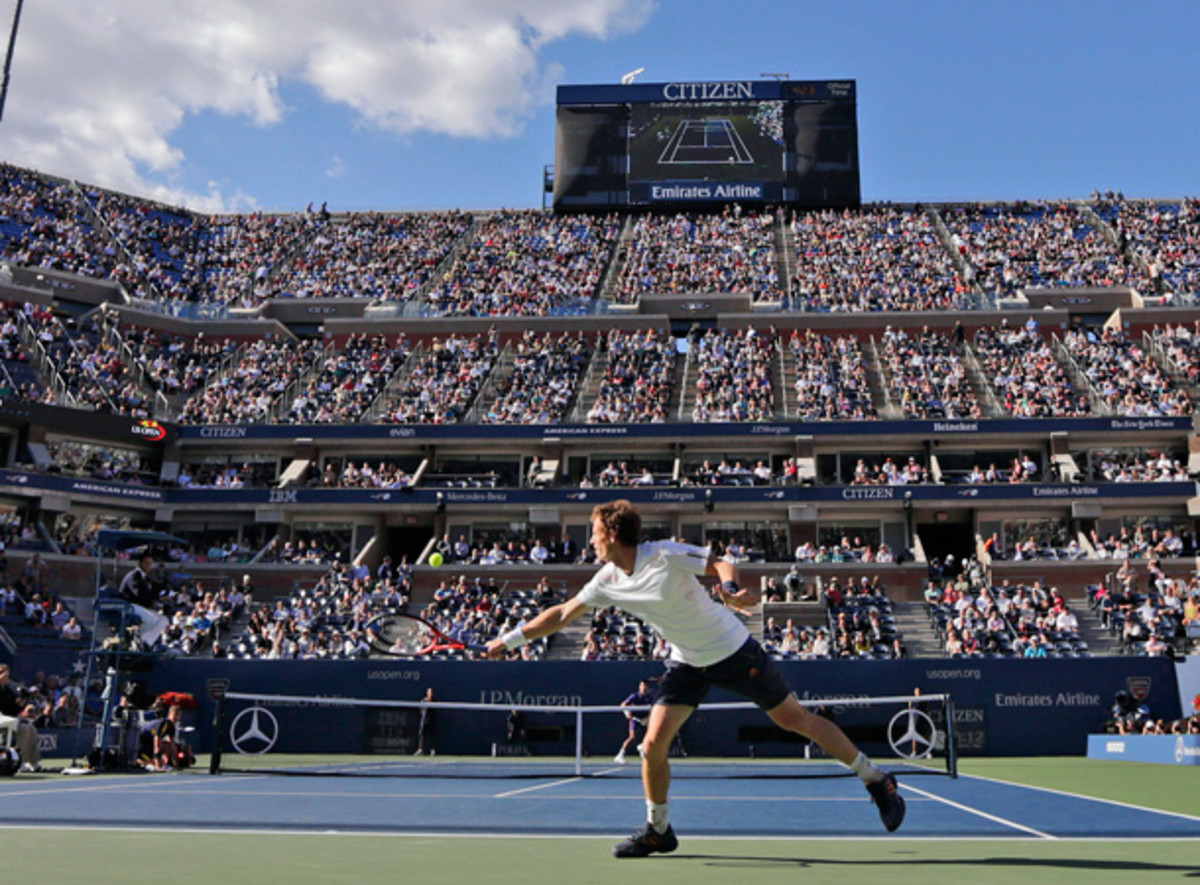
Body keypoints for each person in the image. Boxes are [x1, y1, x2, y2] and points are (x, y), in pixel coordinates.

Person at [485, 499, 905, 858]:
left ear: (611, 534)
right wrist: (509, 639)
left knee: (794, 719)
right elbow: (561, 614)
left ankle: (877, 780)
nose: (590, 541)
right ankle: (659, 830)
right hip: (686, 661)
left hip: (732, 649)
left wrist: (730, 588)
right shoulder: (606, 579)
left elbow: (719, 562)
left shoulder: (663, 555)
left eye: (594, 533)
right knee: (652, 746)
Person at [118, 554, 169, 646]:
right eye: (146, 563)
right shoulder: (134, 575)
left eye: (150, 563)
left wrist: (159, 599)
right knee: (152, 620)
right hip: (129, 605)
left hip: (140, 606)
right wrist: (151, 604)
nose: (148, 566)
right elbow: (138, 595)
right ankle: (137, 641)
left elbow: (150, 594)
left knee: (163, 620)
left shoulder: (145, 577)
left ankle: (146, 643)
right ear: (141, 563)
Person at [0, 664, 43, 772]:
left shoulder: (11, 687)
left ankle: (32, 762)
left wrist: (22, 702)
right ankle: (19, 761)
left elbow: (13, 708)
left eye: (5, 672)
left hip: (8, 719)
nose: (3, 674)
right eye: (1, 672)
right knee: (24, 729)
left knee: (31, 728)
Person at [614, 679, 654, 764]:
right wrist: (627, 713)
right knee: (632, 737)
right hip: (635, 719)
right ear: (639, 687)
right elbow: (623, 705)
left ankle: (642, 746)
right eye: (642, 686)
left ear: (648, 687)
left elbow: (652, 708)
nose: (643, 688)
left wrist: (648, 718)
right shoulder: (634, 696)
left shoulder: (650, 697)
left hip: (645, 720)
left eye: (645, 686)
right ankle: (620, 755)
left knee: (651, 734)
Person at [414, 687, 436, 756]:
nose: (430, 694)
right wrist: (424, 716)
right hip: (424, 721)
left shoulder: (435, 701)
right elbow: (421, 709)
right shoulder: (423, 701)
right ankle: (420, 749)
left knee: (431, 735)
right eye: (429, 692)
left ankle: (432, 750)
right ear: (427, 693)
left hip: (431, 721)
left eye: (431, 692)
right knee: (422, 734)